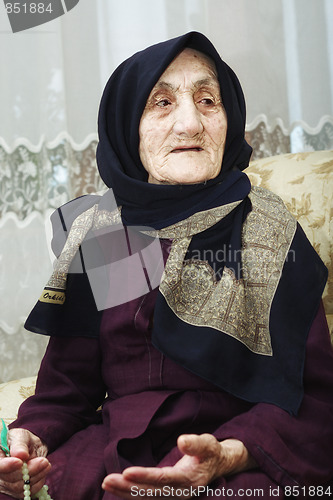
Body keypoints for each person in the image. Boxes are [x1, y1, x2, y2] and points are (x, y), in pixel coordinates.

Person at [0, 31, 333, 500]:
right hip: (114, 449)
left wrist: (232, 452)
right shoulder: (108, 235)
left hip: (238, 453)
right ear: (126, 128)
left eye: (207, 100)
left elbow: (315, 396)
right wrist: (30, 439)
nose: (190, 123)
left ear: (229, 119)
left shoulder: (266, 228)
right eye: (161, 102)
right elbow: (67, 389)